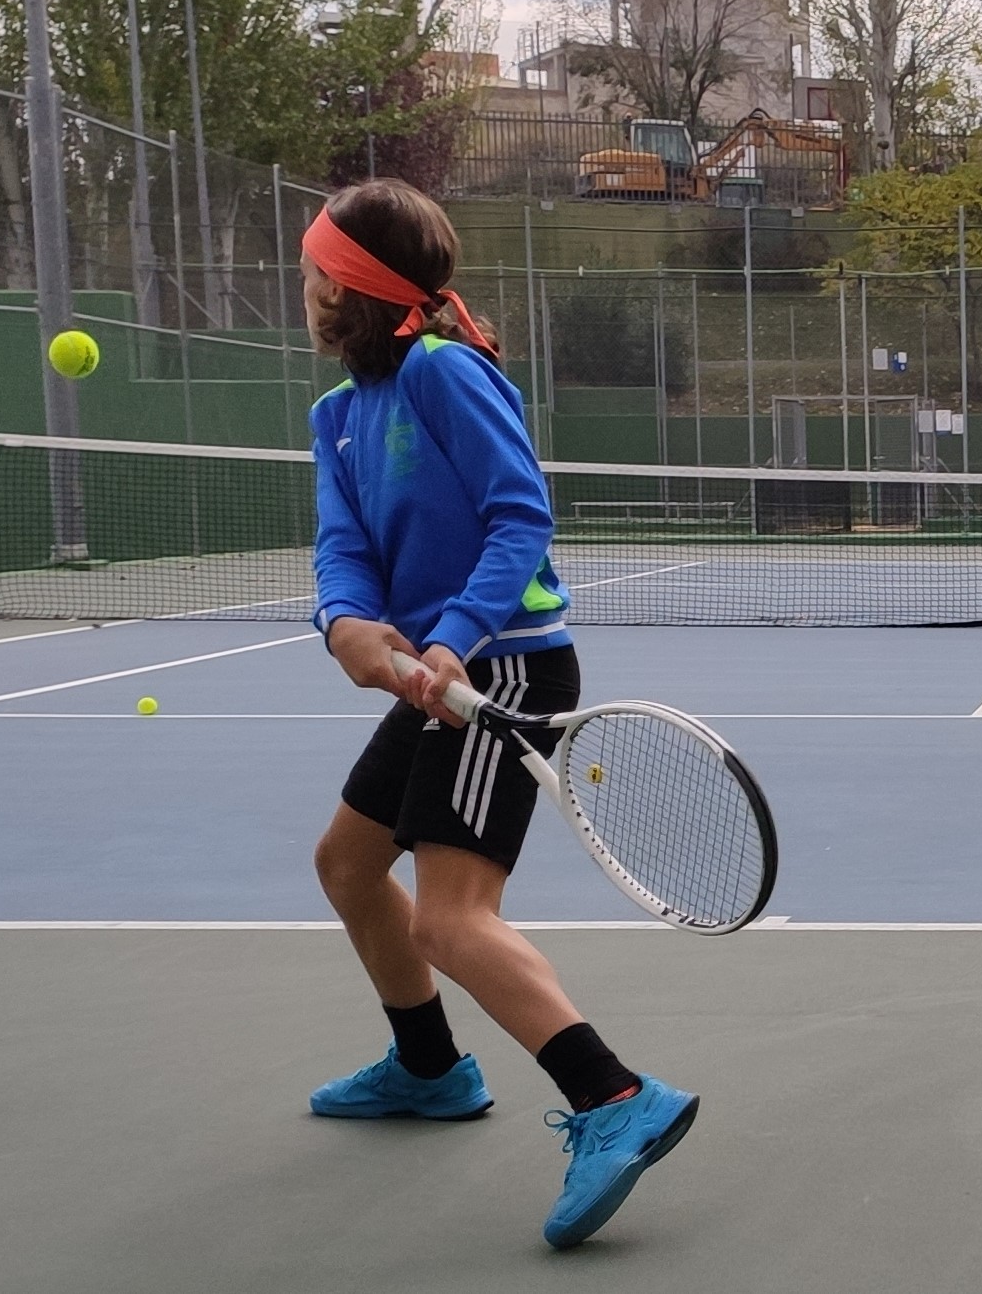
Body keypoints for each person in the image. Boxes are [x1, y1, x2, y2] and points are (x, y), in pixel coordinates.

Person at [300, 178, 696, 1251]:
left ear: (345, 285)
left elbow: (520, 518)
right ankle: (429, 1069)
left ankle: (617, 1098)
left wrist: (452, 637)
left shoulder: (445, 371)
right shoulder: (337, 417)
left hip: (505, 671)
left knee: (450, 918)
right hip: (432, 678)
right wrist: (345, 626)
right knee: (348, 864)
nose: (306, 287)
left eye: (314, 268)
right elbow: (343, 548)